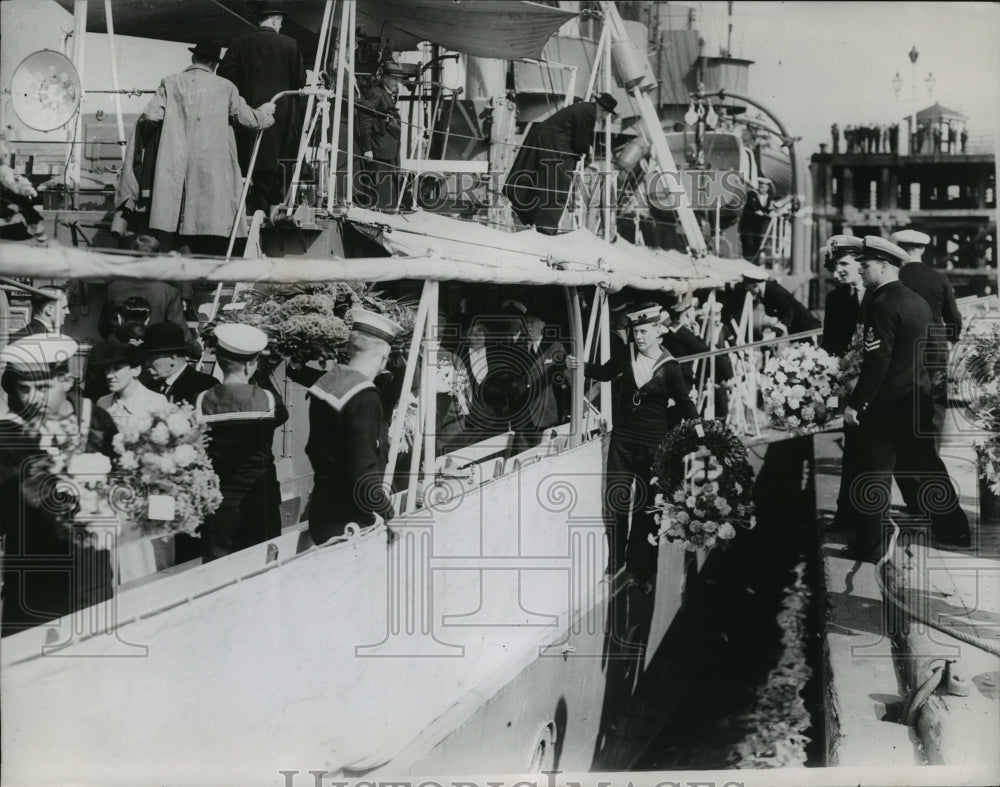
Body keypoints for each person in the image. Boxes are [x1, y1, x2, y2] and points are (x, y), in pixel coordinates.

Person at [842, 236, 970, 558]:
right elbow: (932, 350)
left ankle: (870, 545)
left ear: (884, 265)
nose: (861, 270)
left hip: (886, 406)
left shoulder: (881, 305)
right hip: (917, 399)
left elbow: (877, 362)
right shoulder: (918, 302)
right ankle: (956, 530)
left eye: (866, 265)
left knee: (874, 472)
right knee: (927, 465)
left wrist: (857, 404)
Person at [567, 305, 698, 587]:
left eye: (643, 331)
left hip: (653, 446)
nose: (638, 337)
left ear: (658, 331)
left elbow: (685, 403)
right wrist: (580, 366)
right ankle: (616, 563)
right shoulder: (626, 354)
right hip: (623, 441)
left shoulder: (670, 366)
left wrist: (702, 432)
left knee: (647, 509)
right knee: (617, 500)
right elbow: (604, 373)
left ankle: (643, 571)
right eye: (635, 331)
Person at [0, 335, 117, 636]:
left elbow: (121, 476)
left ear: (65, 380)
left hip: (91, 569)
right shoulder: (10, 435)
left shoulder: (97, 420)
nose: (31, 399)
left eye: (42, 388)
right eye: (23, 389)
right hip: (35, 574)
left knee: (94, 646)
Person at [139, 42, 275, 254]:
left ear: (193, 59)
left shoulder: (170, 83)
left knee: (176, 217)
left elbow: (150, 116)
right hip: (210, 167)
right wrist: (266, 113)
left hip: (175, 164)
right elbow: (250, 119)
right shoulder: (226, 87)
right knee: (209, 217)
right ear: (214, 64)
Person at [305, 309, 402, 545]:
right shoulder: (365, 398)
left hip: (322, 512)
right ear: (384, 357)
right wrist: (389, 514)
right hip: (350, 522)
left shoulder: (326, 383)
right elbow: (362, 472)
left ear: (350, 348)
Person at [195, 324, 288, 561]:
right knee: (262, 568)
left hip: (218, 504)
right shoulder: (269, 400)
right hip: (260, 501)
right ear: (250, 364)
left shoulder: (201, 401)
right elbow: (281, 416)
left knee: (218, 570)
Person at [218, 7, 306, 213]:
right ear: (275, 20)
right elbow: (300, 80)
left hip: (248, 115)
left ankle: (252, 210)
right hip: (281, 117)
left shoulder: (239, 44)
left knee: (251, 165)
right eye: (280, 22)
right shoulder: (290, 44)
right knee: (278, 167)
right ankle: (273, 212)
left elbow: (225, 77)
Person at [503, 93, 617, 234]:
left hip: (545, 140)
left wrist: (583, 153)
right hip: (550, 143)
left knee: (542, 182)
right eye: (606, 115)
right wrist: (587, 158)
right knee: (557, 183)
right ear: (604, 112)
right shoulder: (588, 113)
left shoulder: (585, 108)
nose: (604, 119)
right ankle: (546, 227)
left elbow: (578, 139)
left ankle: (532, 217)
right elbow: (580, 141)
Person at [891, 228, 962, 439]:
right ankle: (933, 452)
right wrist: (952, 339)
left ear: (898, 250)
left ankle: (905, 452)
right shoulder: (939, 278)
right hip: (934, 349)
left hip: (901, 349)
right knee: (936, 401)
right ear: (922, 249)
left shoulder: (894, 279)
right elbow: (954, 319)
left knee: (901, 402)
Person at [98, 236, 192, 343]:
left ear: (131, 256)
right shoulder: (169, 292)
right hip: (154, 350)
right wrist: (196, 349)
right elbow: (181, 334)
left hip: (121, 350)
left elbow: (103, 329)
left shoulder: (113, 289)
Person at [356, 62, 408, 210]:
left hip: (388, 151)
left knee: (389, 192)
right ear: (384, 78)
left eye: (398, 79)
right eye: (393, 79)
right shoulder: (376, 93)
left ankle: (387, 212)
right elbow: (365, 121)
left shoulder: (386, 94)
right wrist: (367, 149)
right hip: (380, 151)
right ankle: (382, 214)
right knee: (381, 191)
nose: (396, 83)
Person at [95, 343, 169, 431]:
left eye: (117, 368)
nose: (109, 375)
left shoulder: (156, 402)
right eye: (107, 369)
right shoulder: (102, 402)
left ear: (136, 370)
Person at [140, 322, 217, 406]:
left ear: (172, 358)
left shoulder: (204, 387)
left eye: (151, 358)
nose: (146, 363)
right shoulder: (151, 385)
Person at [731, 268, 821, 338]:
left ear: (755, 285)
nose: (747, 291)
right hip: (797, 331)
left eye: (748, 288)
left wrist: (774, 333)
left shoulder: (776, 292)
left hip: (808, 330)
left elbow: (787, 315)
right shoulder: (764, 291)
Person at [820, 235, 866, 356]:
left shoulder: (879, 293)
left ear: (861, 263)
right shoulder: (834, 298)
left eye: (844, 263)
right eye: (835, 265)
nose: (837, 272)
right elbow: (828, 343)